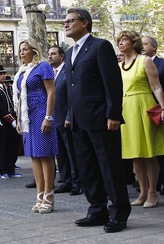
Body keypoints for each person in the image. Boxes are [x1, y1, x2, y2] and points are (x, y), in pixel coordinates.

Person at [64, 8, 131, 232]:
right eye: (65, 21)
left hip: (101, 118)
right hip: (77, 120)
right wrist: (68, 115)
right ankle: (97, 209)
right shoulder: (69, 52)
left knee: (110, 167)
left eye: (70, 21)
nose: (66, 24)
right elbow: (71, 88)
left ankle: (119, 213)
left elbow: (112, 83)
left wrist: (113, 114)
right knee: (87, 168)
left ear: (85, 23)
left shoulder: (100, 46)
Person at [117, 30, 164, 208]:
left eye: (124, 40)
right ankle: (143, 192)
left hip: (143, 106)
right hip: (126, 109)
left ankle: (153, 192)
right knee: (135, 154)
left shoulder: (144, 61)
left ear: (133, 42)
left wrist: (163, 107)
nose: (121, 43)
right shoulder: (120, 65)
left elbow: (156, 86)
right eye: (119, 40)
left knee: (149, 153)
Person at [12, 39, 57, 214]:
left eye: (25, 49)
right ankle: (39, 194)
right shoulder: (21, 72)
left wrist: (48, 116)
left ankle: (49, 194)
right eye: (20, 50)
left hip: (40, 112)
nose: (22, 53)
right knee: (34, 156)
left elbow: (51, 92)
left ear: (34, 51)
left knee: (45, 154)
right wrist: (18, 119)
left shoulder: (43, 66)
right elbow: (19, 98)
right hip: (27, 116)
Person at [48, 45, 81, 196]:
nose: (50, 56)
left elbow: (72, 95)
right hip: (53, 119)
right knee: (60, 153)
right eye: (49, 54)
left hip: (66, 118)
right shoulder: (50, 74)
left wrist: (69, 115)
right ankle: (66, 180)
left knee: (71, 152)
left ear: (62, 56)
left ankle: (77, 183)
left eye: (53, 54)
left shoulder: (67, 71)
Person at [0, 65, 21, 180]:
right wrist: (11, 119)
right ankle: (4, 170)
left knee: (13, 145)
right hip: (2, 121)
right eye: (0, 74)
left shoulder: (7, 88)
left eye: (3, 74)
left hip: (12, 119)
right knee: (4, 145)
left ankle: (11, 168)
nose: (2, 76)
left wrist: (15, 118)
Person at [142, 36, 164, 195]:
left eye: (145, 44)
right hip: (143, 108)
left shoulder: (162, 64)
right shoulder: (135, 63)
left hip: (159, 109)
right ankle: (149, 186)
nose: (142, 46)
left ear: (155, 47)